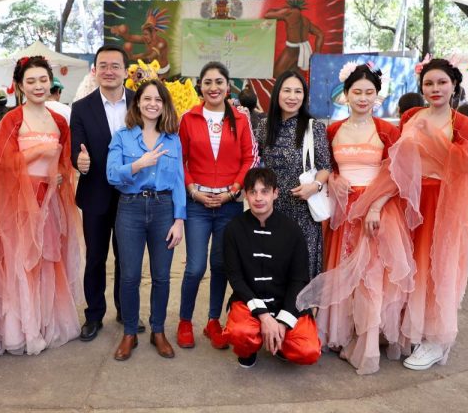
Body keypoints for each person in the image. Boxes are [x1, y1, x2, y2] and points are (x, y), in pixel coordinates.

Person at [295, 63, 415, 374]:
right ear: (346, 95)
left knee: (371, 277)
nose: (362, 98)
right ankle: (344, 335)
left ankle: (368, 344)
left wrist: (375, 206)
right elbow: (327, 167)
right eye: (356, 92)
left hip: (376, 210)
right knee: (342, 272)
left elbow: (397, 174)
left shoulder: (388, 131)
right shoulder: (332, 130)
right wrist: (333, 180)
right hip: (342, 210)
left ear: (377, 96)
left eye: (369, 92)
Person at [363, 58, 468, 370]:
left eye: (442, 82)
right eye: (429, 83)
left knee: (436, 268)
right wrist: (377, 202)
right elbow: (397, 164)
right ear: (421, 87)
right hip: (408, 201)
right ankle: (407, 330)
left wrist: (437, 137)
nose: (435, 88)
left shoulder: (464, 124)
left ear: (454, 84)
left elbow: (467, 170)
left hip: (442, 203)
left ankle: (435, 339)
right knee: (406, 267)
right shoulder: (411, 115)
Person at [0, 55, 83, 355]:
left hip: (52, 200)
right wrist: (38, 152)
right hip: (21, 201)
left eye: (43, 80)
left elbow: (65, 160)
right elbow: (2, 163)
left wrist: (60, 173)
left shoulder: (59, 120)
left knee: (48, 259)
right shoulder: (12, 119)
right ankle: (25, 329)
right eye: (30, 81)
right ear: (19, 86)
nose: (38, 86)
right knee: (23, 261)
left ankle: (46, 322)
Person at [176, 62, 255, 350]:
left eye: (219, 82)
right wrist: (192, 190)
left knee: (220, 264)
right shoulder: (188, 118)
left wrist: (234, 191)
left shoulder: (241, 119)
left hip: (229, 204)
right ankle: (185, 320)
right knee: (195, 267)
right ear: (200, 86)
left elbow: (249, 159)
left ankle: (212, 321)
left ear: (227, 86)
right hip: (197, 203)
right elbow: (179, 159)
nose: (213, 87)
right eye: (208, 82)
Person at [106, 79, 185, 360]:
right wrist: (139, 164)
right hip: (130, 209)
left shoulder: (172, 138)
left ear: (164, 106)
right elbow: (112, 174)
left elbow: (178, 181)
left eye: (158, 100)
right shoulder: (122, 136)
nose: (152, 104)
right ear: (137, 103)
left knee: (162, 276)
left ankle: (158, 330)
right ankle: (129, 333)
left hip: (164, 208)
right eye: (147, 99)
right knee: (129, 276)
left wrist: (179, 219)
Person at [70, 45, 140, 341]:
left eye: (115, 66)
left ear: (125, 71)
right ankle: (94, 315)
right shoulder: (82, 107)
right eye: (103, 65)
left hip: (132, 196)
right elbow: (77, 148)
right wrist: (80, 162)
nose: (109, 71)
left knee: (127, 258)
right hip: (95, 193)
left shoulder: (140, 102)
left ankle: (126, 311)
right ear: (95, 70)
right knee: (96, 258)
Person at [222, 168, 310, 368]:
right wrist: (264, 316)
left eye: (264, 191)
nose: (258, 197)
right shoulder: (233, 229)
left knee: (308, 350)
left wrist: (282, 322)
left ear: (275, 193)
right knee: (240, 333)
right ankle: (248, 349)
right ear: (245, 195)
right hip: (249, 303)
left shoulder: (292, 230)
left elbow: (299, 280)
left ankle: (281, 344)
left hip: (284, 302)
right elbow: (235, 278)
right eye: (253, 192)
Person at [255, 70, 331, 279]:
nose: (292, 96)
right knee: (273, 268)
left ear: (304, 97)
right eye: (287, 90)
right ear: (277, 93)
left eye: (298, 92)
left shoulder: (313, 127)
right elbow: (253, 161)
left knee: (300, 270)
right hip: (271, 210)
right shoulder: (264, 126)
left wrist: (314, 186)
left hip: (303, 211)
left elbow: (326, 167)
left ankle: (302, 312)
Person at [263, 0, 324, 78]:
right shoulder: (306, 20)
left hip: (292, 50)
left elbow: (267, 15)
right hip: (304, 50)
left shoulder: (289, 12)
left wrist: (280, 9)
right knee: (293, 76)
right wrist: (317, 55)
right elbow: (320, 34)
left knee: (276, 75)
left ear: (290, 7)